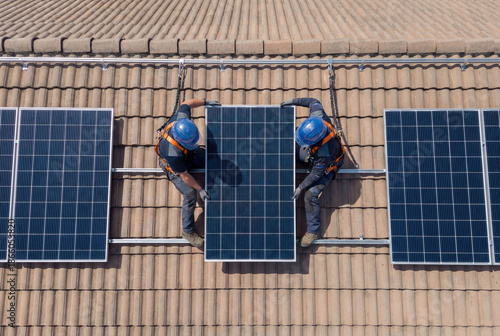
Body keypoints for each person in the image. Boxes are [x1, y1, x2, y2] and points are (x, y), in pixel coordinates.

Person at [280, 98, 345, 247]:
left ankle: (312, 230)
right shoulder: (317, 116)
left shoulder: (324, 153)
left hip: (327, 169)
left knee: (310, 195)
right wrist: (292, 101)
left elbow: (316, 174)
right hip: (315, 156)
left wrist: (300, 188)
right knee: (288, 148)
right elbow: (312, 101)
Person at [156, 98, 221, 247]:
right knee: (190, 194)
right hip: (175, 168)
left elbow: (187, 103)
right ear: (181, 142)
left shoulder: (182, 119)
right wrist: (200, 189)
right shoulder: (173, 154)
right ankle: (188, 231)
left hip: (188, 153)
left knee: (212, 160)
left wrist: (205, 101)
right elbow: (185, 175)